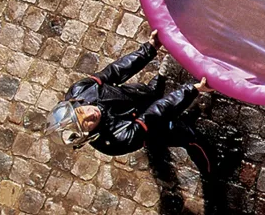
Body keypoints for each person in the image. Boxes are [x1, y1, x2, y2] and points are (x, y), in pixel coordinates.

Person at [45, 30, 214, 172]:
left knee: (162, 80)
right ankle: (210, 170)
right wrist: (193, 89)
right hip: (153, 127)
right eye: (86, 124)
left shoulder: (80, 90)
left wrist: (149, 48)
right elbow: (154, 114)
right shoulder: (117, 141)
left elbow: (115, 71)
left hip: (141, 94)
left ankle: (168, 79)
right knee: (190, 137)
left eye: (81, 111)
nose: (90, 114)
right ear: (87, 136)